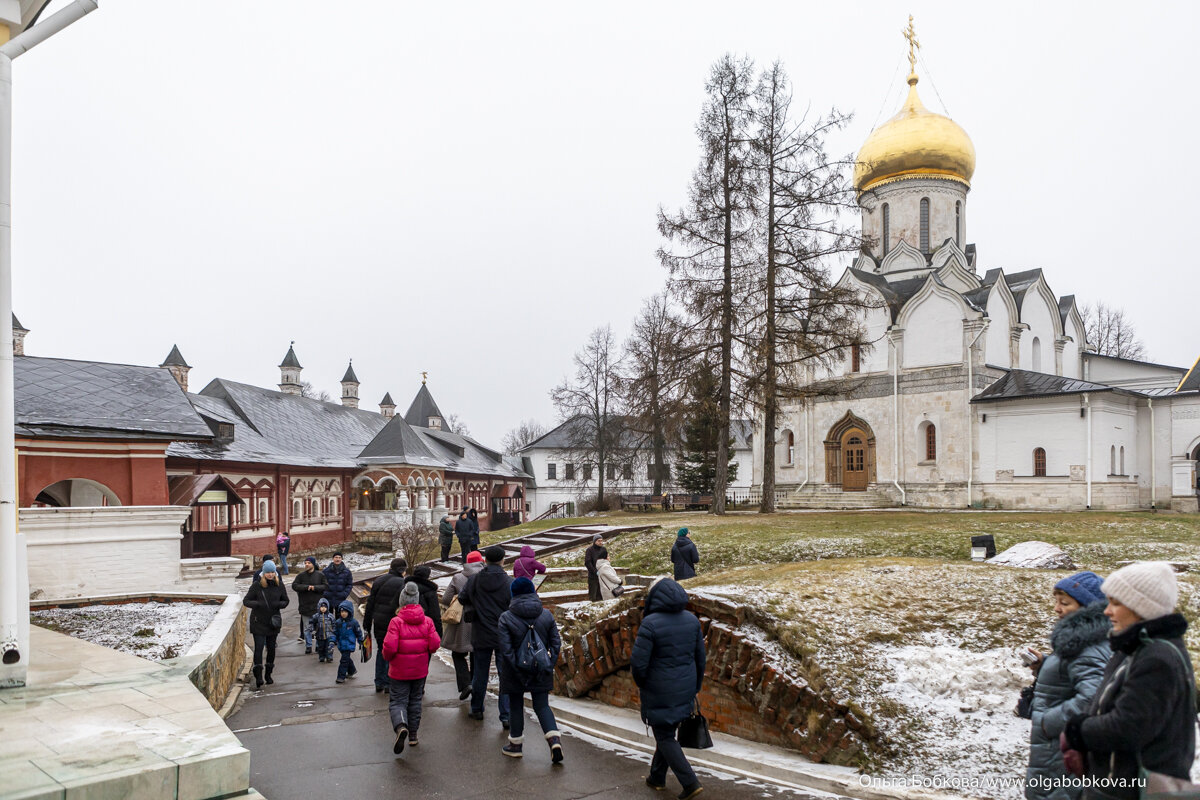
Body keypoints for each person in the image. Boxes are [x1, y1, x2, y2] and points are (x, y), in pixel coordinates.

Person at [1062, 561, 1196, 800]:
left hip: (1135, 790)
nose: (1106, 611)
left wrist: (1078, 730)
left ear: (1141, 607)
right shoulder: (1135, 647)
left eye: (1115, 603)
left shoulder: (1157, 657)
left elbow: (1128, 728)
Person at [1021, 571, 1111, 800]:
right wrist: (1045, 665)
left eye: (1065, 603)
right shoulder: (1080, 640)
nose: (1056, 608)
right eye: (1056, 601)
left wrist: (1047, 722)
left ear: (1087, 608)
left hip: (1061, 748)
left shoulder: (1087, 646)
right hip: (1056, 748)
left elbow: (1093, 697)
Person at [631, 578, 706, 799]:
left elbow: (638, 664)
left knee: (664, 735)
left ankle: (690, 783)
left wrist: (643, 683)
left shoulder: (650, 623)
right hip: (685, 687)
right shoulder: (691, 621)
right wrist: (695, 686)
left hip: (658, 689)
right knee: (667, 732)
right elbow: (700, 659)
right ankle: (657, 777)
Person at [497, 577, 564, 762]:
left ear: (513, 594)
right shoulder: (546, 615)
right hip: (541, 667)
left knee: (516, 705)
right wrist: (548, 664)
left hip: (515, 670)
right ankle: (554, 740)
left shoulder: (505, 618)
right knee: (542, 705)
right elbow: (556, 644)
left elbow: (506, 650)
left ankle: (515, 745)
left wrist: (518, 670)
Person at [382, 581, 441, 754]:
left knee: (398, 701)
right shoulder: (427, 621)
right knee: (415, 701)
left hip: (399, 671)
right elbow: (435, 644)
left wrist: (387, 658)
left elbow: (389, 647)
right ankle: (413, 735)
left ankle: (401, 726)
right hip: (420, 670)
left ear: (402, 601)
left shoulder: (396, 622)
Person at [459, 545, 513, 726]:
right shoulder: (509, 582)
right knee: (505, 674)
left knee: (480, 673)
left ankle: (476, 708)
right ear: (502, 560)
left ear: (486, 560)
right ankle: (506, 715)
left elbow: (462, 598)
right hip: (503, 632)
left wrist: (476, 603)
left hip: (481, 630)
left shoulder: (475, 579)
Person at [242, 559, 290, 689]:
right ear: (264, 573)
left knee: (271, 648)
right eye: (268, 572)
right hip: (258, 621)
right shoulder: (257, 585)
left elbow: (286, 601)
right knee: (259, 648)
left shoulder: (279, 585)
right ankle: (258, 676)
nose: (270, 574)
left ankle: (268, 674)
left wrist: (277, 604)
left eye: (272, 572)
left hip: (273, 622)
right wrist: (258, 604)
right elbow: (246, 601)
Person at [442, 550, 483, 700]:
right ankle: (475, 684)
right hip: (482, 619)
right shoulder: (486, 577)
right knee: (477, 654)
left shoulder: (458, 577)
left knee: (458, 653)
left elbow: (446, 599)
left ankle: (465, 684)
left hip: (463, 620)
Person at [363, 558, 408, 693]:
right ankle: (389, 682)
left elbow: (370, 603)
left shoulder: (379, 581)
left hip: (378, 621)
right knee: (393, 651)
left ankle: (379, 682)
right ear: (402, 570)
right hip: (394, 622)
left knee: (381, 650)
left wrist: (367, 623)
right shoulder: (403, 583)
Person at [291, 556, 328, 652]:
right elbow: (294, 586)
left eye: (309, 563)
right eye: (305, 563)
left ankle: (318, 646)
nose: (307, 565)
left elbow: (325, 586)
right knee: (307, 628)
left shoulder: (320, 575)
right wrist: (306, 587)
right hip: (305, 605)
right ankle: (308, 646)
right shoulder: (301, 576)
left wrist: (315, 588)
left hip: (317, 606)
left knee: (318, 627)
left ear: (313, 564)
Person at [405, 565, 443, 639]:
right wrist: (438, 634)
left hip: (405, 627)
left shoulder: (405, 588)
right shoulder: (430, 591)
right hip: (424, 629)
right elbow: (435, 614)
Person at [333, 599, 364, 684]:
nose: (343, 613)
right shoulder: (338, 622)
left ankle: (341, 676)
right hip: (341, 644)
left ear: (349, 612)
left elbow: (358, 632)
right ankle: (352, 670)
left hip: (349, 644)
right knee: (346, 658)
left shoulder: (353, 622)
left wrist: (361, 641)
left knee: (343, 661)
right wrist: (332, 640)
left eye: (345, 612)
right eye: (342, 611)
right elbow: (335, 632)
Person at [311, 597, 335, 663]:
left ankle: (329, 656)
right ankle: (321, 656)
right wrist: (313, 630)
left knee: (329, 646)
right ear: (319, 607)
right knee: (321, 647)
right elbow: (312, 623)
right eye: (322, 607)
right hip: (320, 635)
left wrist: (334, 631)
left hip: (329, 634)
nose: (323, 608)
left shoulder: (330, 616)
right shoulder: (316, 616)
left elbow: (334, 624)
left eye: (325, 607)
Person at [584, 535, 607, 601]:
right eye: (598, 541)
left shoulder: (603, 549)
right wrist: (595, 571)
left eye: (601, 541)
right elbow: (587, 562)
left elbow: (605, 561)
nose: (600, 542)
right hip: (593, 576)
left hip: (602, 575)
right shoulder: (590, 550)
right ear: (594, 541)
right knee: (593, 595)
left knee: (601, 594)